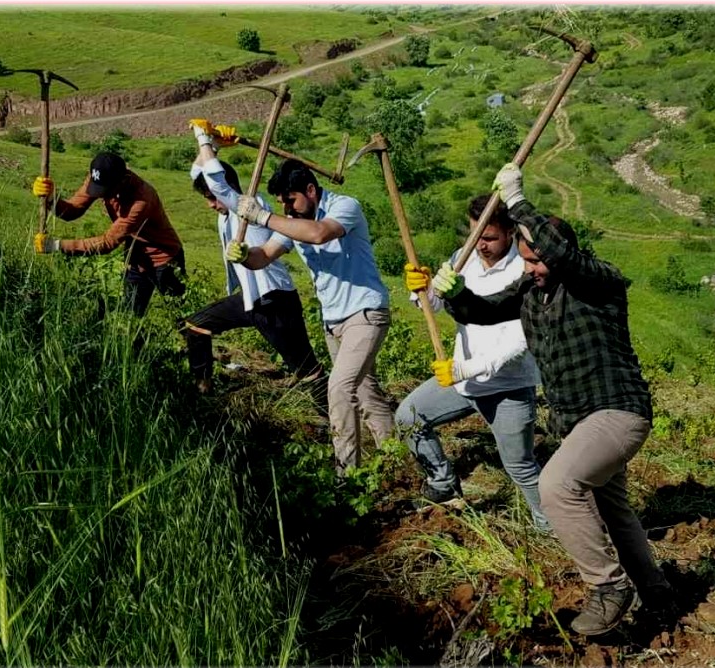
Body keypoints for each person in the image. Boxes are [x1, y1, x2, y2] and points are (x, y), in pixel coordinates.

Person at [431, 164, 673, 636]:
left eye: (538, 262)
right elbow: (485, 310)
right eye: (525, 261)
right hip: (578, 423)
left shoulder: (597, 282)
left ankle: (608, 587)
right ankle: (657, 594)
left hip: (617, 411)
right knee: (614, 512)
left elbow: (559, 253)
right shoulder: (530, 290)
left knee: (557, 485)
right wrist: (456, 295)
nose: (532, 269)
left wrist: (518, 203)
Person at [231, 159, 394, 475]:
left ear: (310, 190)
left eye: (290, 200)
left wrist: (263, 216)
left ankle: (346, 474)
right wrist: (244, 256)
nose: (287, 208)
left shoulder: (345, 206)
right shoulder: (295, 221)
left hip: (365, 313)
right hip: (334, 322)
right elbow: (264, 256)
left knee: (339, 388)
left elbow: (320, 234)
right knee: (365, 393)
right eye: (281, 203)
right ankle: (395, 459)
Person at [397, 195, 549, 529]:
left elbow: (521, 342)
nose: (480, 245)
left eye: (489, 237)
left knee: (520, 467)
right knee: (409, 417)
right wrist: (424, 290)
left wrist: (469, 368)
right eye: (474, 235)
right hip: (460, 381)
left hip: (508, 387)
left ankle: (550, 526)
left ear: (509, 232)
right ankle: (443, 484)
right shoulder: (462, 258)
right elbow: (438, 304)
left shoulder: (526, 270)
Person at [182, 120, 323, 395]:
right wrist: (213, 145)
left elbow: (216, 181)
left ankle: (332, 415)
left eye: (213, 198)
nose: (211, 204)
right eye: (207, 199)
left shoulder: (248, 205)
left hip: (275, 300)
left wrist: (202, 137)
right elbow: (198, 172)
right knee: (196, 325)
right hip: (250, 298)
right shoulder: (227, 212)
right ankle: (203, 390)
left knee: (307, 370)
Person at [32, 152, 186, 316]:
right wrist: (51, 199)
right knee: (129, 316)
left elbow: (107, 243)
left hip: (166, 260)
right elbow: (73, 210)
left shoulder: (141, 200)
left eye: (106, 191)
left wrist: (56, 245)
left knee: (181, 315)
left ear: (122, 180)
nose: (102, 195)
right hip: (136, 258)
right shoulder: (100, 178)